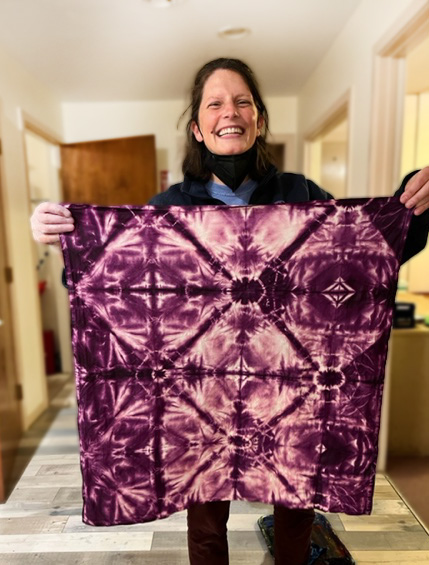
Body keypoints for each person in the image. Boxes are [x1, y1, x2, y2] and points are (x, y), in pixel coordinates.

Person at [31, 58, 429, 565]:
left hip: (292, 380)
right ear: (198, 127)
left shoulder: (300, 194)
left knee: (295, 505)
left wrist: (413, 204)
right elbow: (104, 280)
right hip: (203, 385)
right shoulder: (169, 209)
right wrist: (58, 233)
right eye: (214, 103)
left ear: (259, 119)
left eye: (242, 101)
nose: (230, 112)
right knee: (205, 510)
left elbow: (364, 254)